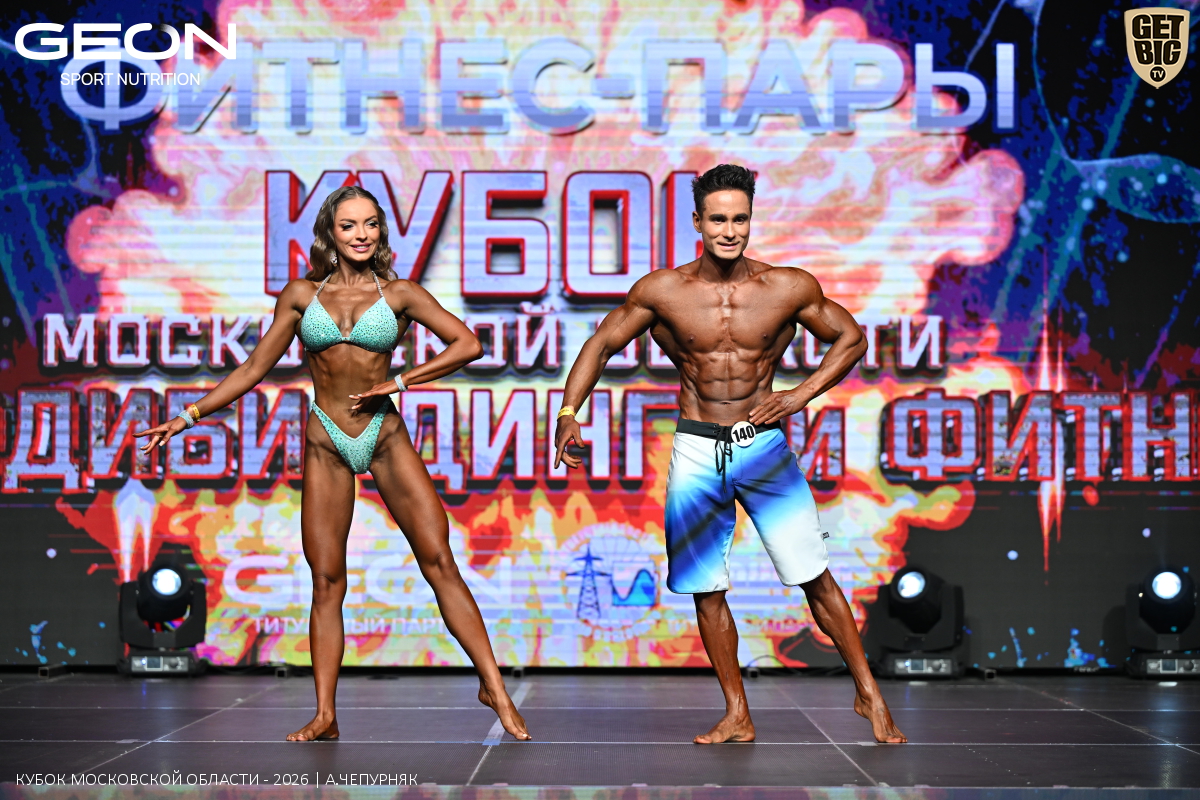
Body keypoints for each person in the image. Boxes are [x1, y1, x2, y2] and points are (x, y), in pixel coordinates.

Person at [137, 186, 530, 743]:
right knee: (326, 580)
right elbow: (253, 368)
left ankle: (495, 688)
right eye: (349, 226)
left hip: (384, 436)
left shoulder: (400, 294)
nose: (361, 234)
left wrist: (399, 381)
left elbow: (467, 344)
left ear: (381, 231)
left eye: (370, 224)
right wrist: (186, 417)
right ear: (330, 233)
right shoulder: (301, 296)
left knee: (440, 561)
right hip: (326, 439)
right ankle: (325, 714)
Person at [553, 164, 905, 745]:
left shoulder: (786, 287)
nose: (729, 230)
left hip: (761, 447)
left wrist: (800, 395)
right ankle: (737, 712)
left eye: (740, 219)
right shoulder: (662, 291)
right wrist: (569, 413)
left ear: (750, 220)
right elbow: (601, 343)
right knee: (706, 586)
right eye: (718, 219)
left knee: (812, 575)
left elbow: (851, 337)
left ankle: (869, 693)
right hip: (696, 447)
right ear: (697, 221)